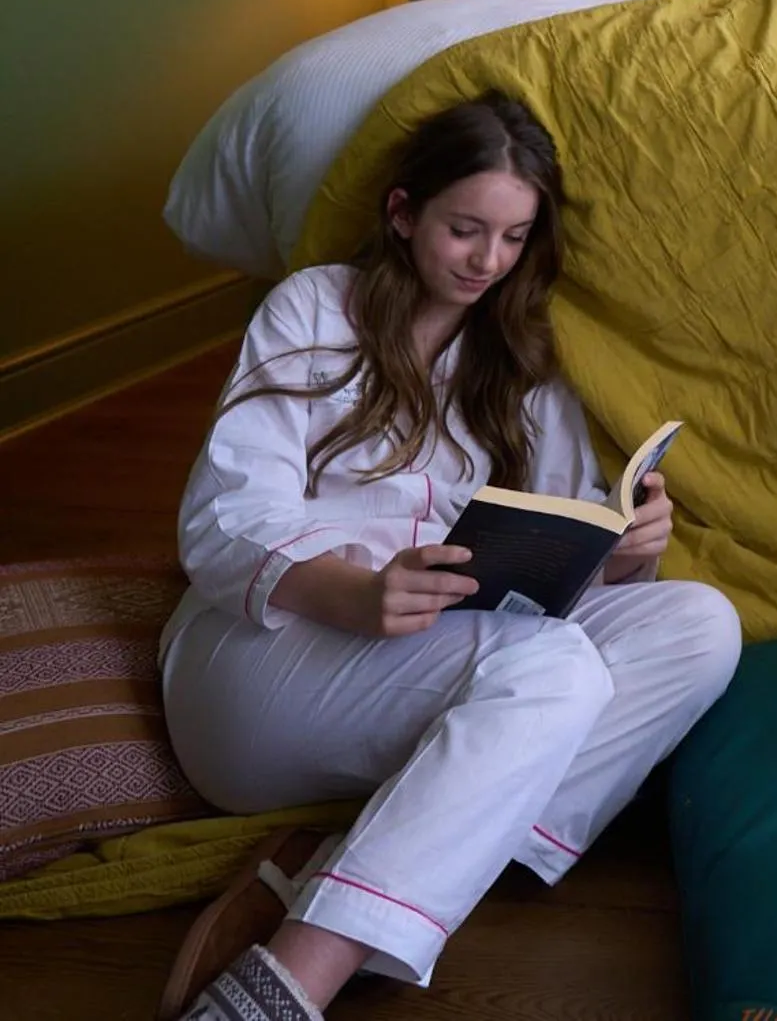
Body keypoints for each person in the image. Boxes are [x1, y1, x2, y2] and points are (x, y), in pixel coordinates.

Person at [158, 93, 742, 1021]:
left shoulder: (519, 360)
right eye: (465, 229)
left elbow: (552, 544)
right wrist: (352, 592)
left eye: (513, 238)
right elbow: (224, 517)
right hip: (263, 661)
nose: (488, 261)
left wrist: (624, 548)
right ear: (402, 214)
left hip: (433, 664)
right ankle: (293, 978)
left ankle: (413, 863)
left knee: (700, 623)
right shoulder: (311, 308)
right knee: (550, 667)